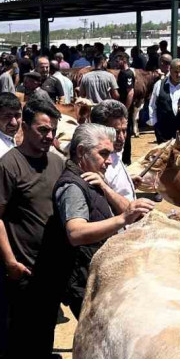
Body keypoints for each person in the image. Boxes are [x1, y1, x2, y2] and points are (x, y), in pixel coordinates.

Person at [0, 98, 73, 359]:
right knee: (19, 336)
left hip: (51, 266)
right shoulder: (8, 166)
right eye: (41, 129)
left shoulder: (56, 163)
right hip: (20, 267)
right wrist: (8, 260)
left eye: (52, 130)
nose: (48, 135)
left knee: (45, 331)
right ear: (24, 127)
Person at [47, 124, 153, 318]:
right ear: (81, 151)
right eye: (103, 154)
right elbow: (76, 233)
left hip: (96, 276)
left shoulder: (92, 178)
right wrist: (123, 219)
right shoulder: (72, 187)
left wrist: (105, 187)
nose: (109, 161)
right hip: (85, 282)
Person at [89, 100, 136, 200]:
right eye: (116, 132)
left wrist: (127, 183)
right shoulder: (94, 164)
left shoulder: (116, 152)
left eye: (124, 130)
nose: (122, 138)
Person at [148, 58, 180, 144]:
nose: (179, 75)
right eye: (176, 72)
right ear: (170, 70)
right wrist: (155, 124)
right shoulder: (159, 84)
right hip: (164, 129)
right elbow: (152, 105)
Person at [111, 52, 136, 164]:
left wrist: (125, 109)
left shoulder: (128, 74)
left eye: (118, 61)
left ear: (124, 60)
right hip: (121, 108)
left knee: (126, 135)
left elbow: (130, 92)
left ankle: (126, 160)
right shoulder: (121, 73)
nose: (116, 63)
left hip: (125, 110)